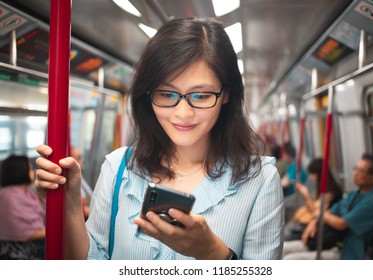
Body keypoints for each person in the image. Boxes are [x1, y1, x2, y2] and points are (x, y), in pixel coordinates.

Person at [34, 17, 284, 260]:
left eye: (201, 96)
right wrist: (69, 207)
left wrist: (211, 253)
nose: (183, 113)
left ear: (226, 94)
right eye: (166, 94)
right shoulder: (119, 167)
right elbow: (93, 264)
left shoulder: (260, 180)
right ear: (148, 94)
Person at [282, 153, 373, 260]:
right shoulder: (354, 195)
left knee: (290, 260)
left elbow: (341, 224)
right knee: (281, 249)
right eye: (355, 169)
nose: (354, 174)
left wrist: (320, 214)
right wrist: (315, 222)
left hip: (348, 252)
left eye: (360, 171)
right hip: (331, 243)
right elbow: (331, 211)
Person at [284, 158, 343, 241]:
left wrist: (306, 194)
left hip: (321, 227)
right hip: (312, 222)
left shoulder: (330, 192)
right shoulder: (320, 189)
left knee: (286, 234)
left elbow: (316, 212)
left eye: (313, 174)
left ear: (319, 174)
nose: (311, 178)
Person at [0, 155, 45, 259]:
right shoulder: (7, 196)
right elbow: (20, 231)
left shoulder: (28, 193)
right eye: (29, 168)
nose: (33, 171)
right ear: (20, 171)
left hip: (32, 247)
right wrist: (50, 232)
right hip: (14, 252)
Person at [70, 147, 93, 219]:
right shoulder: (70, 183)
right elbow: (83, 211)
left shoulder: (81, 178)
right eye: (79, 157)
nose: (82, 160)